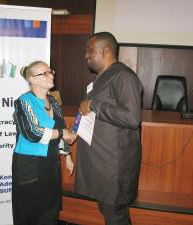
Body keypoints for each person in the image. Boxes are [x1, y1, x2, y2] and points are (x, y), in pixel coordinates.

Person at [74, 32, 143, 225]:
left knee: (115, 215)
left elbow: (132, 118)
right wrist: (77, 129)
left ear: (104, 50)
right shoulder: (101, 77)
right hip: (102, 163)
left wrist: (95, 106)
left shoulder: (123, 76)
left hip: (115, 166)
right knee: (107, 210)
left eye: (89, 50)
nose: (86, 55)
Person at [12, 60, 77, 225]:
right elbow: (33, 132)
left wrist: (67, 155)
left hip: (50, 163)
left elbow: (60, 128)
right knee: (30, 212)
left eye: (51, 72)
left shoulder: (53, 101)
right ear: (32, 80)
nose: (51, 75)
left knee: (49, 210)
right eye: (45, 73)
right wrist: (62, 133)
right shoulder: (23, 101)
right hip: (29, 165)